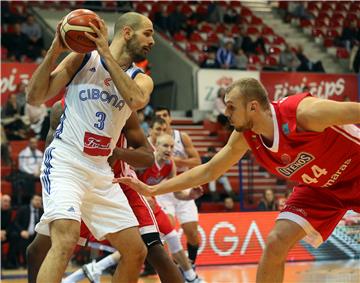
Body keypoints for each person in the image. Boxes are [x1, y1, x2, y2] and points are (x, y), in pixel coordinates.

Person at [115, 77, 360, 283]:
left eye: (231, 107)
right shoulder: (246, 136)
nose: (226, 113)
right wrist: (153, 189)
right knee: (276, 241)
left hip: (356, 171)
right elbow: (209, 171)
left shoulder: (304, 112)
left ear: (253, 107)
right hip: (320, 188)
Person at [26, 11, 155, 283]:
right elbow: (36, 96)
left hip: (100, 171)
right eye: (148, 33)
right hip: (66, 162)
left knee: (135, 251)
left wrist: (108, 55)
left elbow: (135, 99)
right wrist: (55, 48)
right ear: (127, 32)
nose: (152, 41)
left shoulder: (140, 78)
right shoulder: (83, 58)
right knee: (65, 239)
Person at [26, 101, 183, 283]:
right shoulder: (62, 108)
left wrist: (117, 153)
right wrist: (52, 192)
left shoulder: (120, 105)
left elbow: (147, 157)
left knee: (152, 250)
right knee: (40, 249)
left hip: (118, 182)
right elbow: (51, 155)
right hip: (74, 180)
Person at [137, 133, 204, 283]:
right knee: (135, 246)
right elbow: (125, 175)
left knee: (172, 236)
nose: (169, 149)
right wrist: (140, 194)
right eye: (165, 146)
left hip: (150, 203)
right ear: (156, 147)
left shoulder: (170, 165)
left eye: (172, 146)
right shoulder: (146, 160)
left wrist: (191, 195)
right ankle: (97, 268)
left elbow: (178, 193)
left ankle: (191, 277)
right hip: (133, 201)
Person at [154, 107, 202, 267]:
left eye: (165, 115)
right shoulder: (152, 140)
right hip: (163, 189)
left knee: (192, 234)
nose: (163, 119)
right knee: (167, 229)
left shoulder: (182, 137)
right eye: (159, 117)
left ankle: (191, 265)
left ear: (170, 118)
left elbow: (197, 161)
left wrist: (176, 161)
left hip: (183, 186)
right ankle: (168, 266)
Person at [12, 194, 43, 267]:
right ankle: (22, 264)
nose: (38, 202)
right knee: (17, 239)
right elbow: (15, 222)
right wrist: (21, 231)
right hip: (25, 233)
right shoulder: (23, 209)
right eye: (36, 200)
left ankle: (39, 264)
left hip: (37, 235)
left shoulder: (42, 211)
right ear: (31, 200)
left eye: (40, 200)